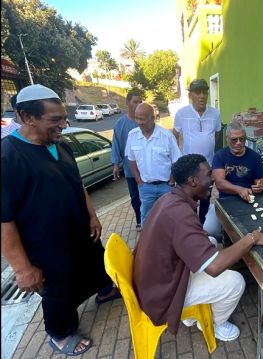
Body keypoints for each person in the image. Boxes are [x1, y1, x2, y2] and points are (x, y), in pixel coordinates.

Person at [1, 84, 120, 356]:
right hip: (46, 247)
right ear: (27, 117)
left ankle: (103, 292)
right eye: (55, 120)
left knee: (94, 265)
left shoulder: (60, 145)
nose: (64, 125)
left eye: (64, 118)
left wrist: (92, 215)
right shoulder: (8, 156)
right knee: (57, 291)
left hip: (80, 232)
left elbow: (77, 184)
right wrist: (22, 269)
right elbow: (3, 220)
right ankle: (60, 333)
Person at [133, 154, 263, 341]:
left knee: (211, 242)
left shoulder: (171, 198)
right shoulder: (179, 213)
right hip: (163, 294)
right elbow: (214, 268)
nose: (213, 178)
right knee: (236, 281)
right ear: (193, 181)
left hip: (156, 279)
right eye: (209, 174)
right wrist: (252, 238)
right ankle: (216, 323)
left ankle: (195, 312)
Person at [203, 122, 263, 238]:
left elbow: (262, 180)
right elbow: (220, 183)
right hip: (226, 200)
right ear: (227, 139)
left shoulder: (254, 157)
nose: (238, 143)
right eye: (234, 140)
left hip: (249, 200)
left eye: (242, 139)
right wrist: (239, 190)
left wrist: (261, 185)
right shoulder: (220, 156)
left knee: (254, 230)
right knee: (209, 230)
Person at [173, 79, 222, 224]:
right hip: (190, 169)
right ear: (190, 95)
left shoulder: (215, 113)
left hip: (208, 167)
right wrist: (178, 158)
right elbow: (174, 135)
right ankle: (192, 225)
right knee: (190, 199)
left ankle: (203, 225)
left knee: (206, 196)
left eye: (205, 92)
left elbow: (218, 134)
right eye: (198, 92)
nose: (202, 96)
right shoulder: (182, 113)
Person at [125, 102, 182, 227]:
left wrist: (171, 182)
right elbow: (132, 160)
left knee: (168, 217)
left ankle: (168, 244)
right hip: (145, 187)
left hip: (166, 187)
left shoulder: (166, 136)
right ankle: (147, 244)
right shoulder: (132, 136)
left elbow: (176, 161)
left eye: (142, 118)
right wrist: (139, 181)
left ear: (153, 117)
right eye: (137, 118)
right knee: (146, 218)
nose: (139, 122)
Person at [111, 88, 143, 230]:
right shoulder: (120, 124)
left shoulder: (143, 122)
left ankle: (151, 220)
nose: (138, 105)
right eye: (135, 102)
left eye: (140, 102)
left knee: (147, 196)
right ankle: (139, 220)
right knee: (135, 197)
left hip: (145, 167)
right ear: (127, 102)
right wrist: (115, 164)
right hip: (130, 169)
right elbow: (116, 143)